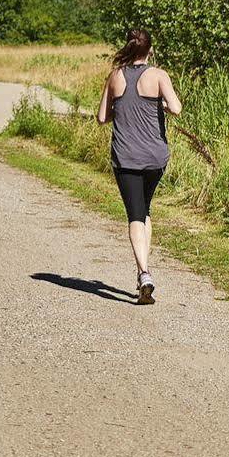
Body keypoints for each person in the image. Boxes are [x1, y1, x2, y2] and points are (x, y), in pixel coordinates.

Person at [95, 28, 181, 304]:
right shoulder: (158, 75)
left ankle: (144, 272)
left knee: (135, 215)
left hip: (126, 157)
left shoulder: (115, 76)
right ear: (150, 50)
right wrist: (162, 106)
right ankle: (143, 272)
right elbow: (176, 108)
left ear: (129, 48)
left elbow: (101, 117)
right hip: (155, 158)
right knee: (144, 211)